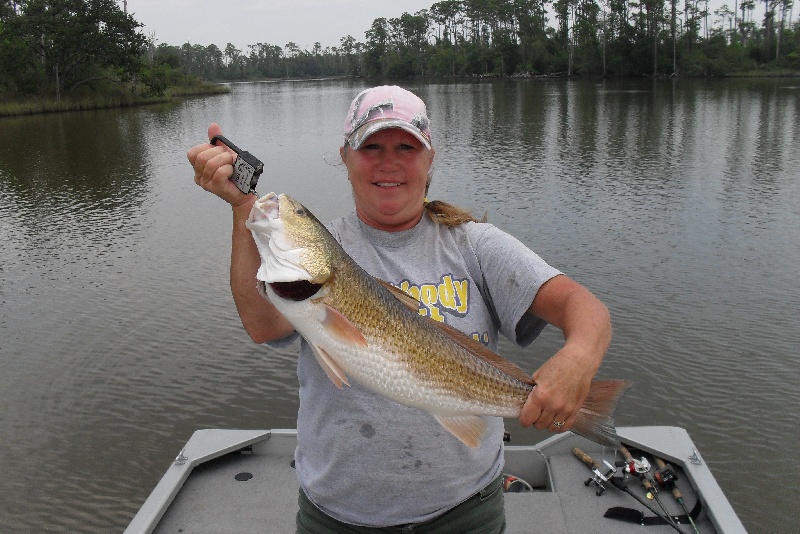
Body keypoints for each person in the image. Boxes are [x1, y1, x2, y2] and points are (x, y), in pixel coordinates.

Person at [187, 85, 611, 533]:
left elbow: (583, 306)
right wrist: (242, 208)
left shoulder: (474, 244)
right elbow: (262, 326)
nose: (388, 162)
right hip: (336, 514)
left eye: (406, 147)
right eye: (371, 147)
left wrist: (579, 357)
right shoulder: (331, 252)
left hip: (465, 513)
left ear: (430, 160)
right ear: (345, 159)